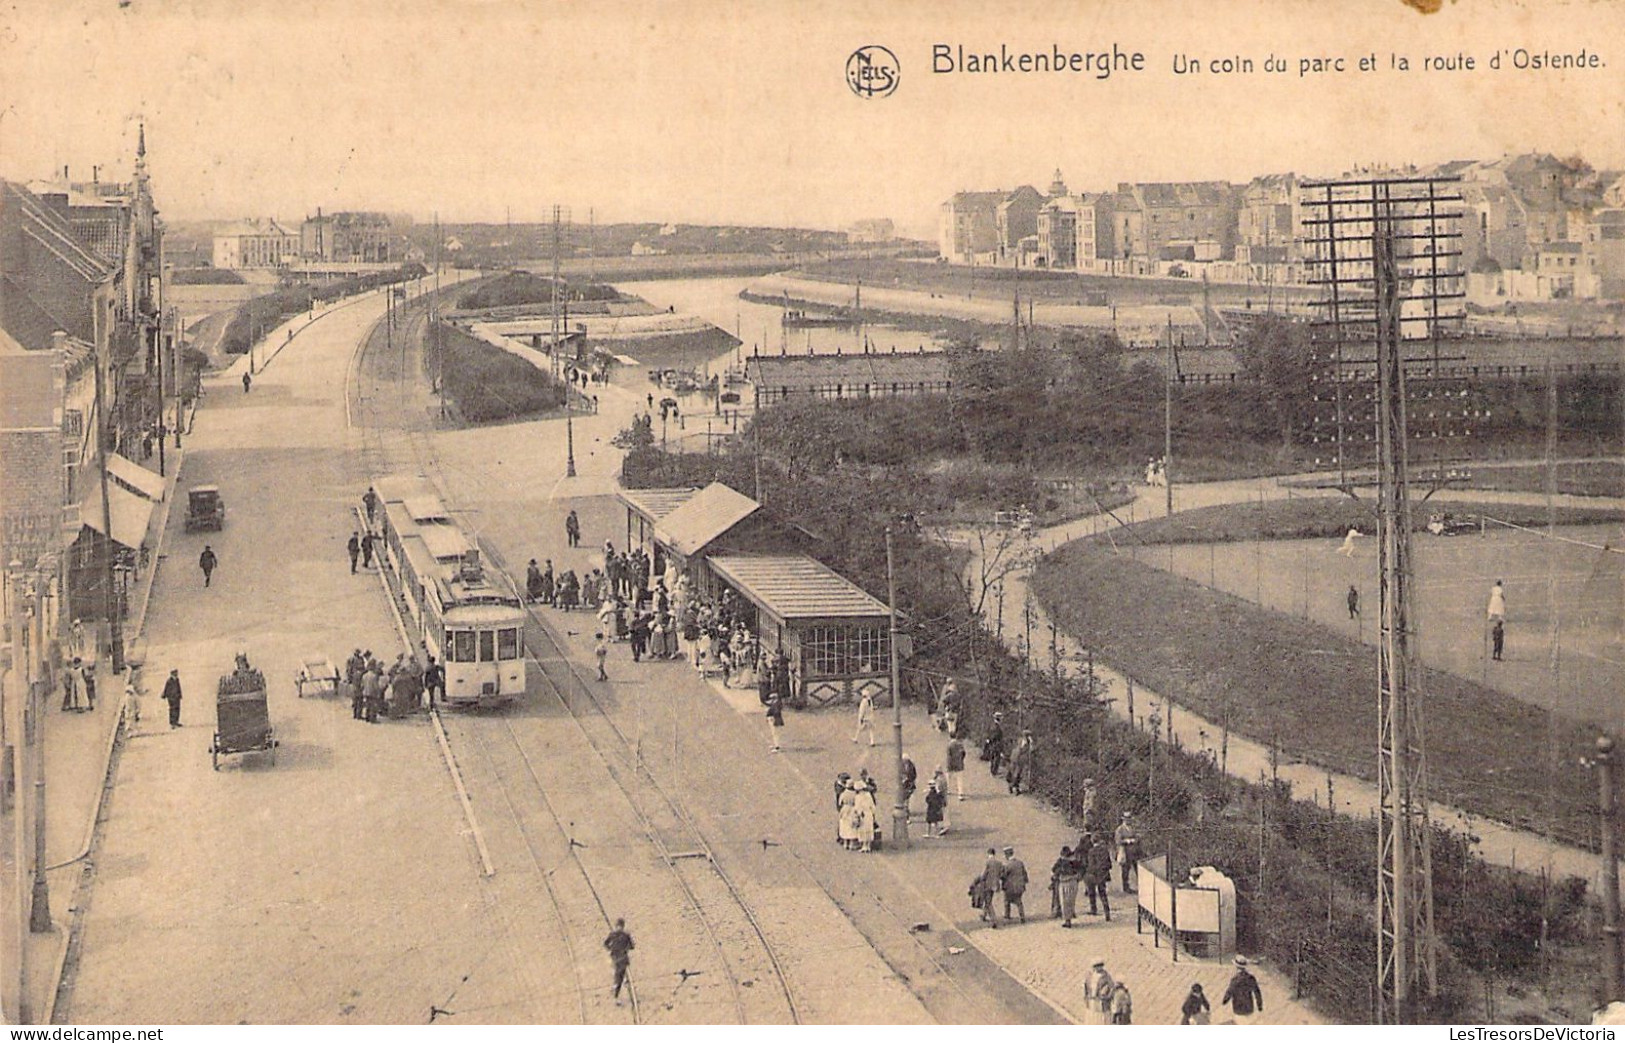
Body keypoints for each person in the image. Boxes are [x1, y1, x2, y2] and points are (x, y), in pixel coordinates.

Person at [1221, 955, 1265, 1025]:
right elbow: (1257, 992)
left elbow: (1230, 991)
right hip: (1249, 1007)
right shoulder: (1251, 978)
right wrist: (1259, 1006)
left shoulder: (1235, 979)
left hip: (1238, 1008)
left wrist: (1225, 1000)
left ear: (1236, 967)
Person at [604, 919, 635, 1005]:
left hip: (615, 957)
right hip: (623, 958)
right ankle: (616, 992)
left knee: (617, 974)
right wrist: (626, 948)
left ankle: (615, 990)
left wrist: (611, 949)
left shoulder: (612, 934)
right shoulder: (626, 935)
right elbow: (632, 946)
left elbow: (605, 944)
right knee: (620, 975)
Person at [1084, 834, 1112, 920]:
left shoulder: (1091, 851)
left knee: (1091, 892)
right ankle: (1107, 912)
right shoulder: (1105, 851)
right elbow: (1109, 864)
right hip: (1103, 875)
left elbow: (1091, 865)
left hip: (1094, 875)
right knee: (1103, 894)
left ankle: (1093, 909)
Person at [1053, 845, 1082, 927]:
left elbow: (1054, 870)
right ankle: (1069, 916)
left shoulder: (1061, 862)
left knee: (1064, 902)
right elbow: (1081, 870)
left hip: (1064, 882)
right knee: (1070, 901)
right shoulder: (1075, 862)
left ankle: (1067, 920)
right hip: (1073, 882)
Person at [1114, 811, 1142, 893]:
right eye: (1126, 819)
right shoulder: (1120, 829)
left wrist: (1135, 840)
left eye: (1129, 819)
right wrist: (1127, 841)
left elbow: (1138, 837)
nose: (1128, 821)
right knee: (1125, 870)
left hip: (1135, 852)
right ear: (1123, 820)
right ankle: (1126, 887)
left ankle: (1141, 886)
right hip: (1125, 852)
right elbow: (1118, 841)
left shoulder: (1133, 828)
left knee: (1138, 869)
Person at [1082, 958, 1115, 1026]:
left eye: (1099, 966)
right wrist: (1086, 996)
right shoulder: (1090, 975)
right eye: (1095, 966)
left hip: (1102, 1003)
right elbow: (1085, 986)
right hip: (1092, 1002)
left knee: (1101, 1019)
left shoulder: (1106, 976)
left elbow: (1112, 988)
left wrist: (1106, 996)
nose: (1097, 968)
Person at [978, 848, 1005, 927]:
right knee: (988, 900)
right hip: (995, 885)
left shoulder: (987, 863)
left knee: (988, 902)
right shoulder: (999, 863)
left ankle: (994, 920)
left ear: (988, 853)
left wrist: (980, 881)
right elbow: (1002, 874)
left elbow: (983, 875)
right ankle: (983, 915)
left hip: (987, 885)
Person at [1001, 846, 1028, 924]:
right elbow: (1025, 874)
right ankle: (1022, 917)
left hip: (1010, 888)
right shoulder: (1020, 863)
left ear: (1007, 855)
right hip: (1020, 887)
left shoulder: (1008, 865)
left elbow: (1003, 876)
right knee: (1019, 902)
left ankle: (1007, 916)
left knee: (1006, 901)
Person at [852, 778, 877, 853]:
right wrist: (873, 813)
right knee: (867, 829)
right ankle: (867, 845)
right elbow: (872, 806)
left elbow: (857, 807)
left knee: (863, 829)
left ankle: (865, 845)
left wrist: (857, 812)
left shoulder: (858, 797)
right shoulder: (868, 795)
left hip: (862, 814)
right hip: (868, 813)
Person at [1007, 730, 1034, 795]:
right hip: (1018, 759)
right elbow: (1029, 749)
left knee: (1016, 773)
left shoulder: (1020, 740)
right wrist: (1031, 743)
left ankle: (1015, 787)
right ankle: (1012, 786)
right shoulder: (1024, 742)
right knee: (1017, 773)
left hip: (1015, 757)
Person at [983, 712, 1006, 777]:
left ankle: (992, 770)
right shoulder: (997, 728)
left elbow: (988, 733)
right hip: (996, 745)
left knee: (993, 757)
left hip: (992, 744)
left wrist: (988, 740)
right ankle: (994, 771)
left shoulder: (992, 725)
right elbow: (996, 736)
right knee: (996, 758)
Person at [946, 733, 967, 801]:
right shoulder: (960, 745)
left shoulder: (949, 745)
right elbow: (964, 753)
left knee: (949, 777)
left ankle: (947, 789)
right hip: (959, 764)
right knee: (960, 779)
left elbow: (949, 756)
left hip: (952, 764)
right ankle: (960, 794)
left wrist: (948, 765)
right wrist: (961, 759)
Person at [765, 689, 784, 753]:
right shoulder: (775, 703)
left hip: (774, 720)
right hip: (772, 719)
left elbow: (776, 712)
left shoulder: (776, 704)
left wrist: (772, 718)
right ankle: (775, 744)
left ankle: (777, 746)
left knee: (775, 733)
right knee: (774, 733)